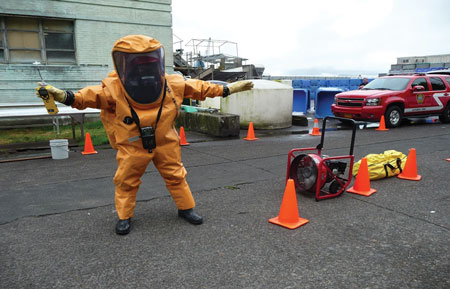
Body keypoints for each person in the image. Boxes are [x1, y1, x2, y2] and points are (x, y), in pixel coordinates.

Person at [35, 35, 253, 235]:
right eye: (138, 67)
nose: (144, 72)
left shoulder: (173, 84)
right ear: (125, 67)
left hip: (165, 142)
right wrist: (64, 96)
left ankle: (186, 209)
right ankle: (124, 217)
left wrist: (228, 89)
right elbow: (86, 97)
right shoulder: (113, 88)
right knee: (126, 181)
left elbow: (201, 88)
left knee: (176, 176)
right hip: (132, 145)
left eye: (148, 65)